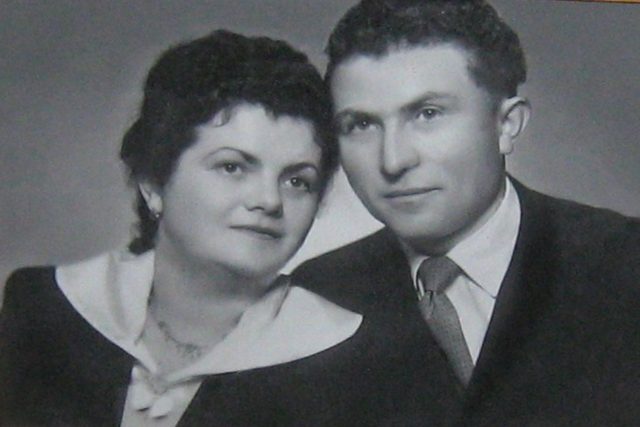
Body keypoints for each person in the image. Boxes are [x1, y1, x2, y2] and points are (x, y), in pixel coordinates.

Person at [293, 0, 640, 425]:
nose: (393, 160)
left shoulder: (626, 265)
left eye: (427, 114)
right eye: (362, 125)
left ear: (506, 124)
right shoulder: (314, 297)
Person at [0, 30, 368, 426]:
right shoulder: (45, 307)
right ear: (154, 183)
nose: (269, 200)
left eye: (297, 180)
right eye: (232, 167)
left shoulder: (345, 357)